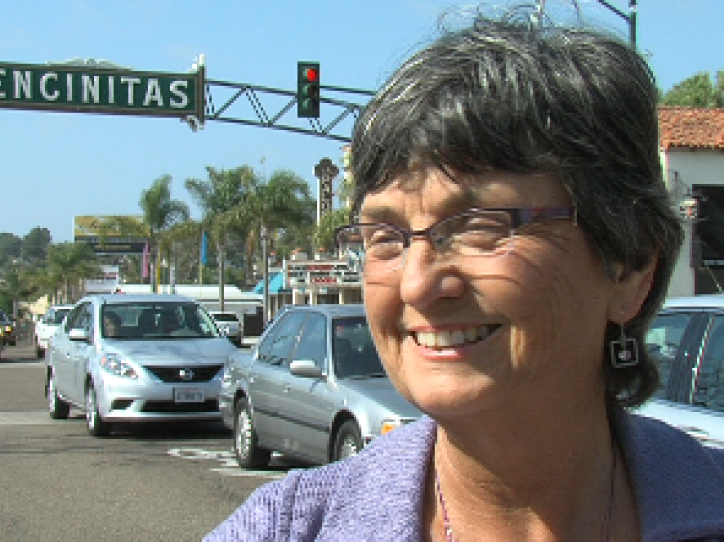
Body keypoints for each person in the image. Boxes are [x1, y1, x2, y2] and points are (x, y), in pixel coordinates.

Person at [205, 7, 724, 542]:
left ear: (631, 264)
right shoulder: (289, 528)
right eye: (386, 238)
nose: (417, 285)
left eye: (478, 227)